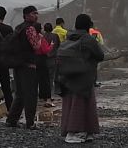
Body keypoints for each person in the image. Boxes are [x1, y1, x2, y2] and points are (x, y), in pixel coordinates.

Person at [60, 14, 104, 143]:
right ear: (89, 25)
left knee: (70, 105)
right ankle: (76, 133)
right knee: (83, 105)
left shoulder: (68, 38)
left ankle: (79, 132)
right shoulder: (88, 39)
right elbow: (100, 55)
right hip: (84, 78)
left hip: (68, 77)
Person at [6, 5, 41, 129]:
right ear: (26, 15)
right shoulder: (30, 29)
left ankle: (11, 120)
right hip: (29, 65)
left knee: (20, 94)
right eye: (33, 13)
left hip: (18, 65)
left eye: (36, 13)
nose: (36, 16)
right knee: (30, 94)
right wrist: (40, 37)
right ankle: (30, 122)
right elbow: (36, 47)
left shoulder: (18, 28)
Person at [34, 23, 54, 107]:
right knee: (45, 79)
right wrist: (51, 45)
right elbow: (45, 50)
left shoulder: (31, 38)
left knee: (37, 79)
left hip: (33, 60)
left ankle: (40, 96)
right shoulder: (40, 37)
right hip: (42, 59)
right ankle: (48, 98)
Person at [43, 23, 60, 101]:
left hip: (43, 59)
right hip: (53, 59)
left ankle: (44, 94)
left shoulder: (42, 36)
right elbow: (58, 45)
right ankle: (49, 95)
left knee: (44, 78)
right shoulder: (55, 36)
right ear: (52, 28)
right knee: (51, 78)